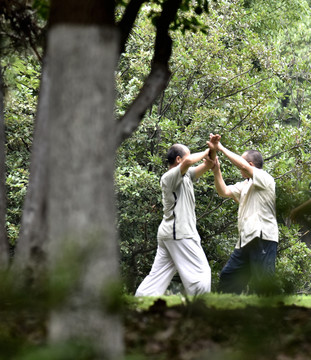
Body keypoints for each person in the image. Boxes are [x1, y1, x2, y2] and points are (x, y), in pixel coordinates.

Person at [135, 144, 215, 296]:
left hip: (170, 235)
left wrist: (214, 148)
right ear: (178, 159)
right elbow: (188, 162)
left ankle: (139, 304)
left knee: (156, 279)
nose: (190, 158)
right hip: (180, 233)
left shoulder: (186, 175)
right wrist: (205, 151)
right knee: (201, 275)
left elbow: (208, 164)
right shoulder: (169, 177)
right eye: (187, 155)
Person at [208, 133, 278, 294]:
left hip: (262, 237)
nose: (240, 168)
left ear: (251, 164)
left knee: (263, 283)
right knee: (229, 277)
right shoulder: (245, 185)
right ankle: (227, 313)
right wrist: (216, 169)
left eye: (243, 163)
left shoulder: (265, 179)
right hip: (245, 240)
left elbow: (244, 167)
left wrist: (220, 148)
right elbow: (224, 191)